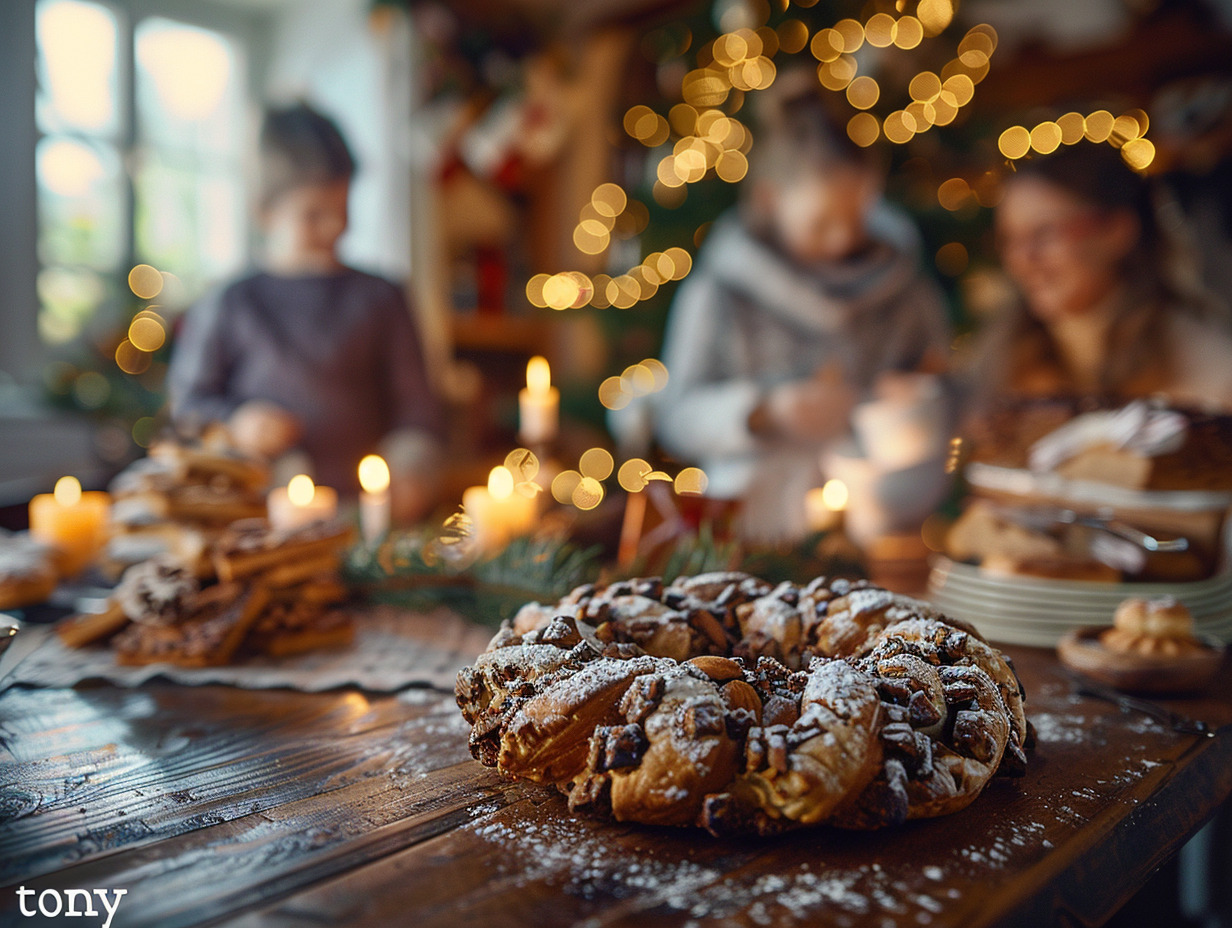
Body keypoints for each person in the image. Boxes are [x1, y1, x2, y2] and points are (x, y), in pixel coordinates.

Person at [651, 81, 953, 545]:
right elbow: (676, 416)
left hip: (879, 529)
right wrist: (763, 411)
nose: (841, 240)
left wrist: (915, 394)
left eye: (855, 219)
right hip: (754, 530)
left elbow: (942, 379)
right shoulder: (721, 291)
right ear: (771, 199)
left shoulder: (903, 290)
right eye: (822, 223)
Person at [168, 103, 444, 520]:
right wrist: (237, 424)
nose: (335, 227)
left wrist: (409, 473)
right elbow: (188, 406)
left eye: (343, 209)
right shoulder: (231, 303)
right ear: (264, 212)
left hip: (365, 519)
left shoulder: (382, 298)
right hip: (255, 520)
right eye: (314, 215)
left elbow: (418, 411)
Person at [971, 143, 1232, 411]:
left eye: (1044, 234)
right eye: (1009, 240)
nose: (1021, 260)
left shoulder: (1203, 368)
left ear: (1117, 230)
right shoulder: (1002, 364)